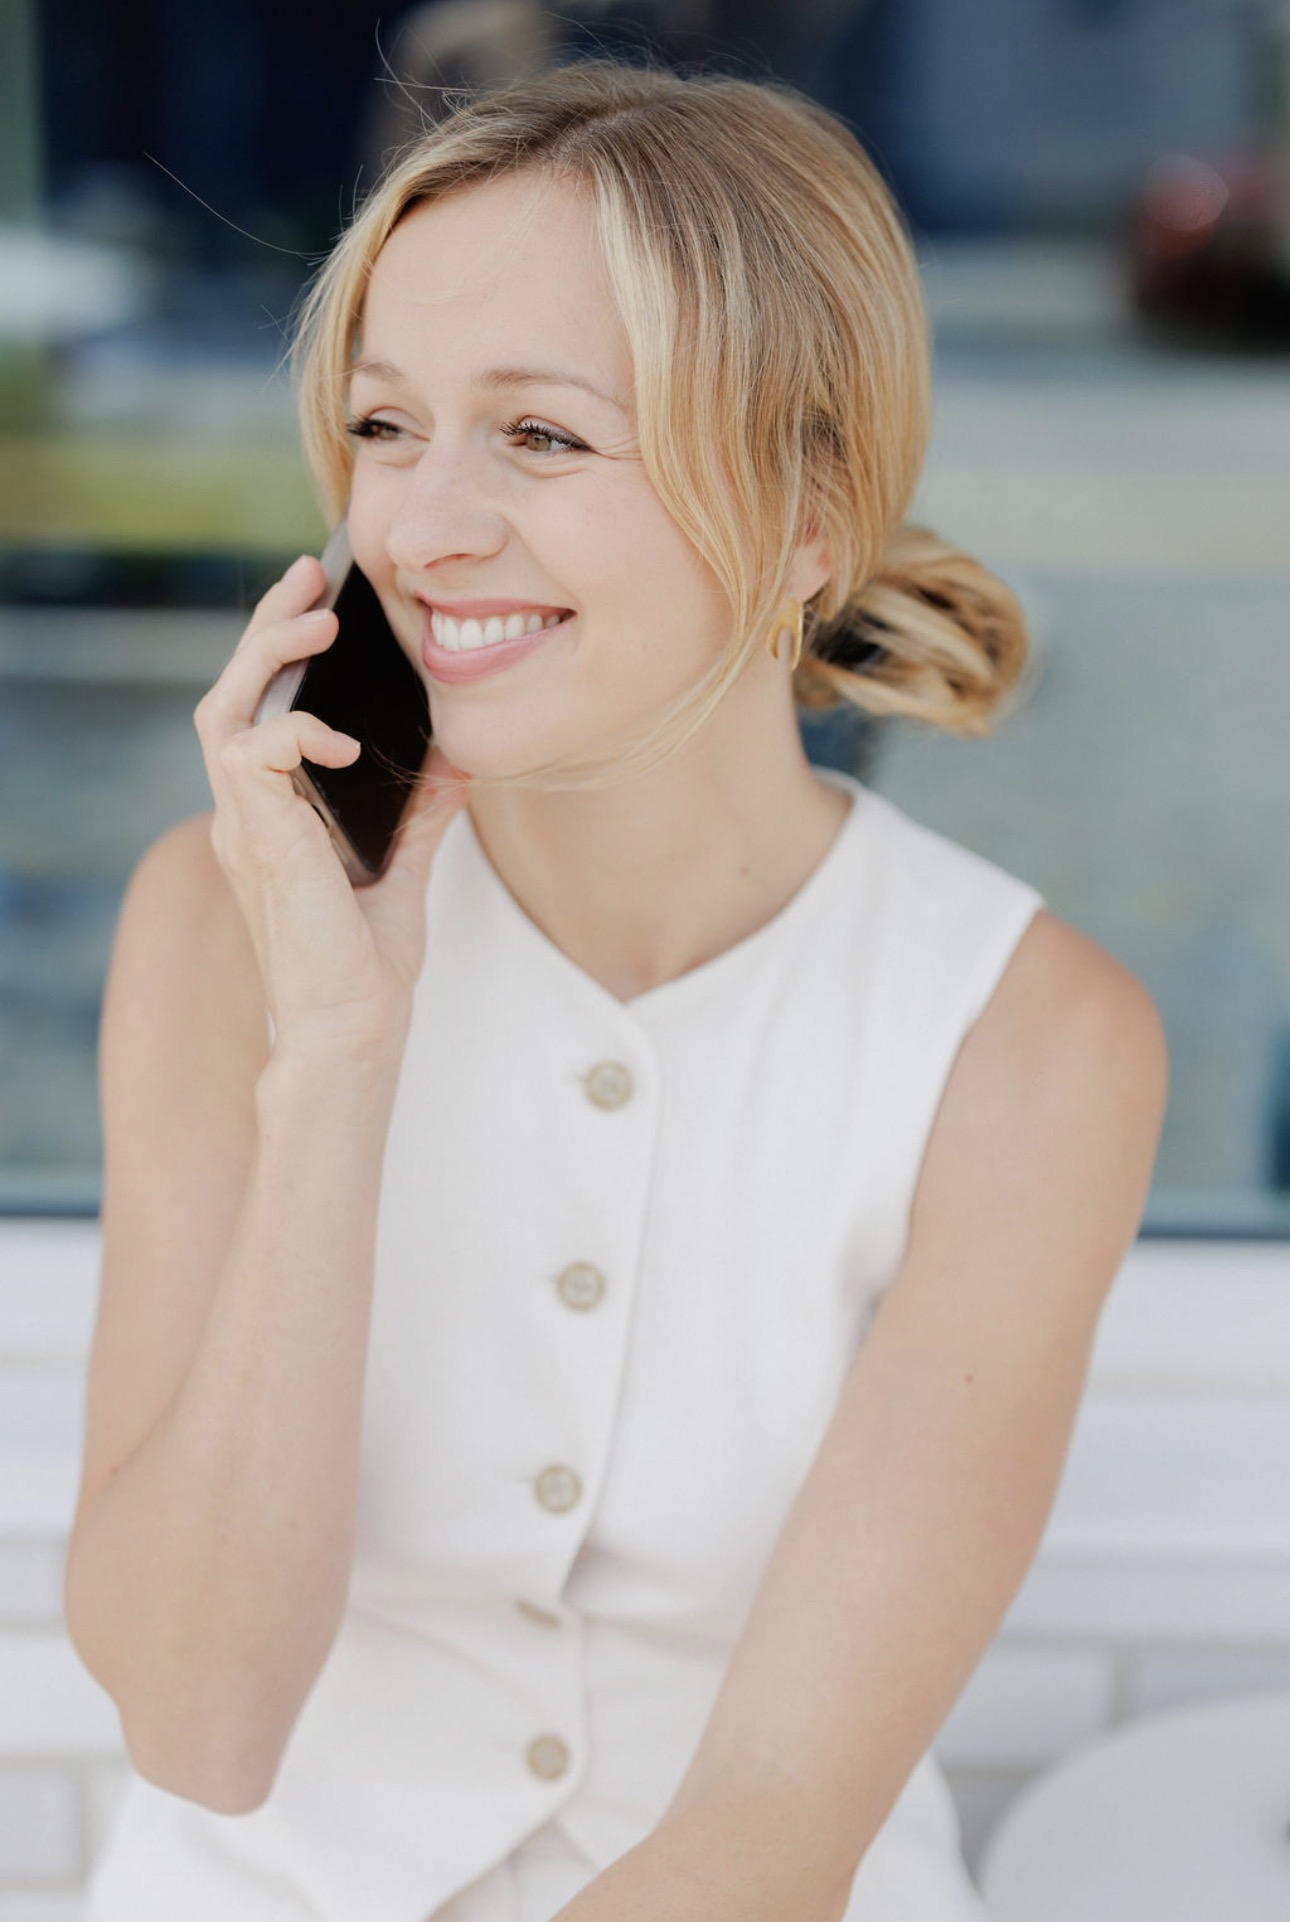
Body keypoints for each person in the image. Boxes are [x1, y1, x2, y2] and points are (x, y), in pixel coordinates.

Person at [65, 58, 1167, 1922]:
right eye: (385, 425)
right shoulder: (217, 921)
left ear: (807, 512)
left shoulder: (1029, 1041)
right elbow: (201, 1722)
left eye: (542, 435)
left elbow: (773, 1827)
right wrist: (334, 1049)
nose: (420, 528)